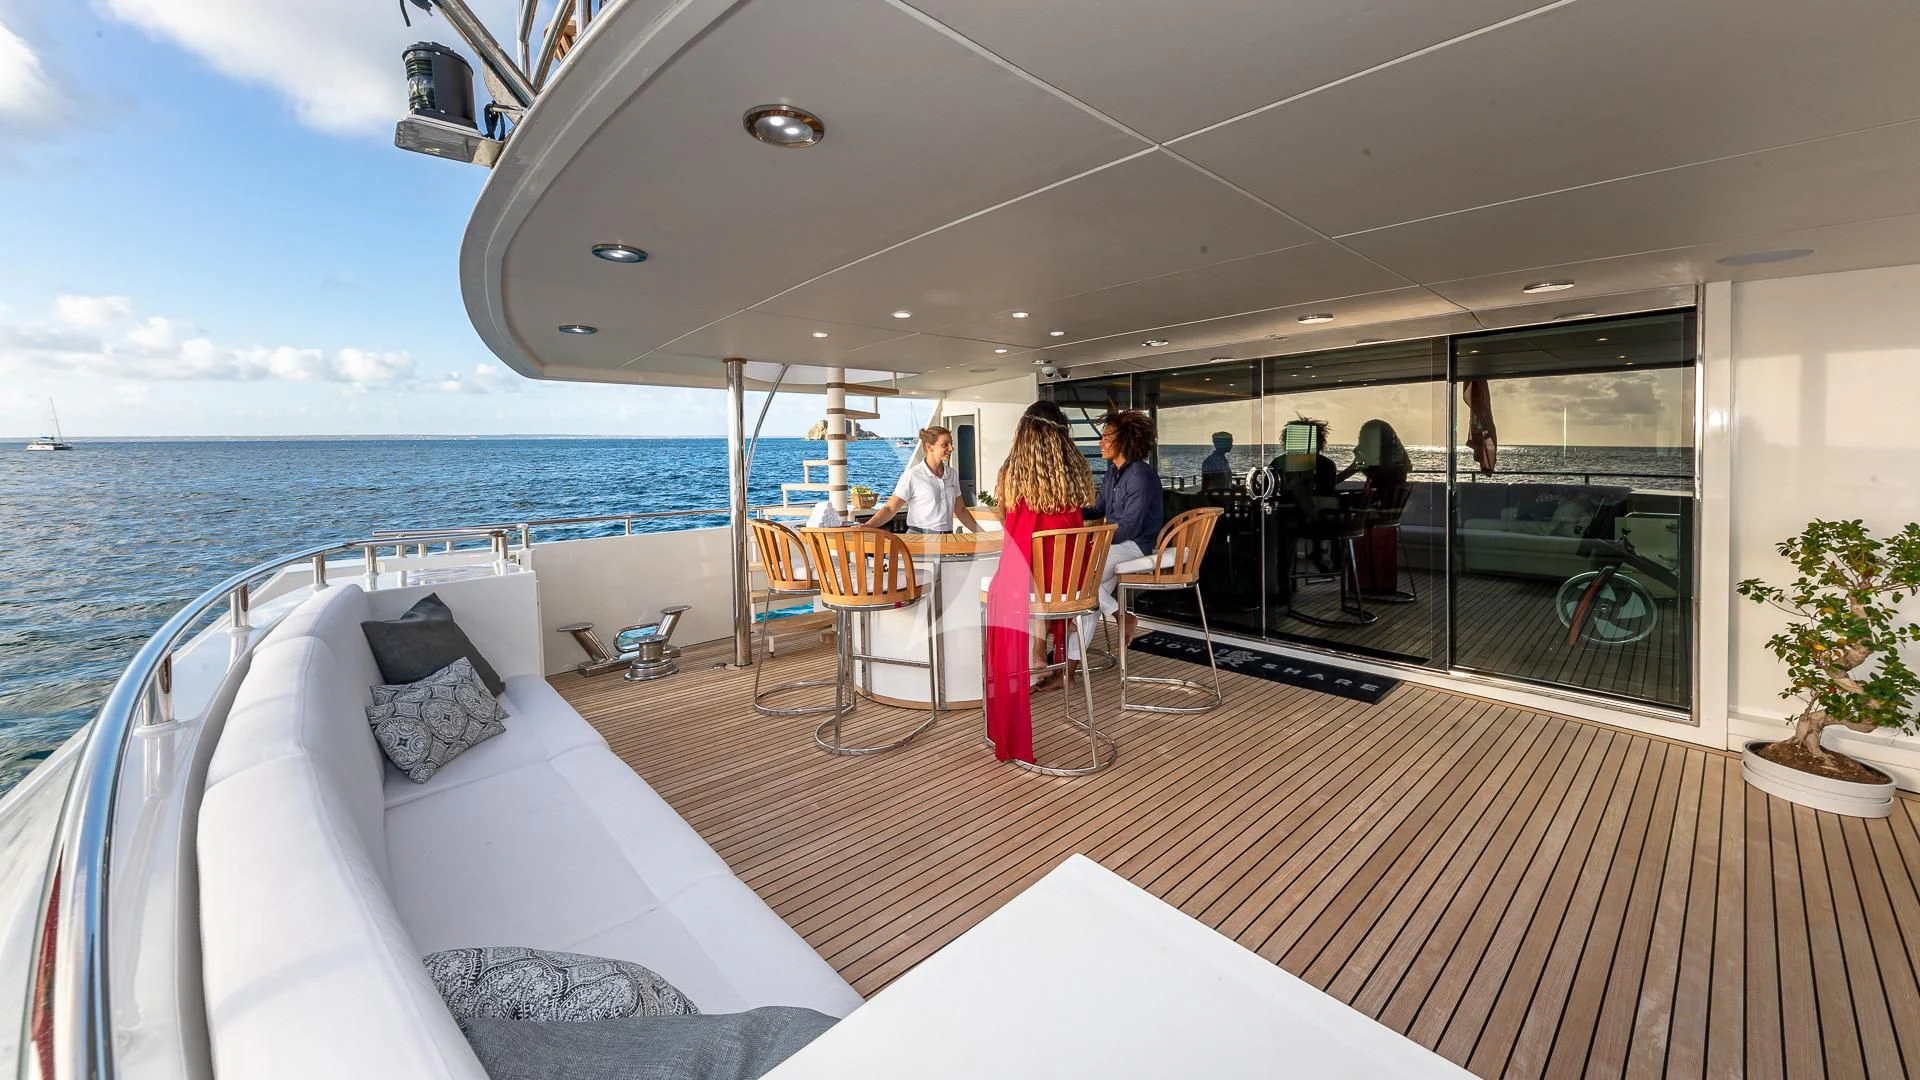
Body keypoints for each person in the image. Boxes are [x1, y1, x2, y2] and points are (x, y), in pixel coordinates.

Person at [983, 408, 1097, 764]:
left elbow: (1008, 525)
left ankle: (1034, 649)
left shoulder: (1012, 474)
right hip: (1073, 587)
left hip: (1033, 588)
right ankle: (1040, 646)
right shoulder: (1076, 472)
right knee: (1038, 576)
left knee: (1006, 580)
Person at [1068, 409, 1163, 666]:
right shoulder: (1112, 472)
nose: (1101, 442)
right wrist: (1066, 511)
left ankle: (1122, 616)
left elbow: (1130, 527)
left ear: (1125, 440)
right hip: (1115, 545)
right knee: (1088, 597)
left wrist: (1093, 542)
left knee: (1082, 580)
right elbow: (1099, 509)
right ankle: (1069, 669)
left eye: (1107, 437)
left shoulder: (1141, 476)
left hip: (1135, 546)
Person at [865, 425, 982, 534]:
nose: (951, 448)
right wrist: (868, 526)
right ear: (929, 446)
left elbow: (960, 509)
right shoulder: (913, 475)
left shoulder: (952, 474)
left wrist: (981, 533)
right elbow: (890, 508)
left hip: (946, 539)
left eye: (951, 444)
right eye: (945, 444)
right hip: (919, 539)